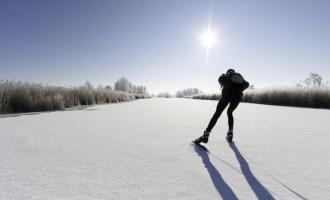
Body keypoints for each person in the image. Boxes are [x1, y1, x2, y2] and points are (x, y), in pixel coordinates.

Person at [194, 69, 249, 143]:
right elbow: (247, 84)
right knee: (230, 112)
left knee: (217, 114)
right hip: (237, 98)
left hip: (226, 96)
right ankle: (230, 132)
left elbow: (220, 79)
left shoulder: (226, 76)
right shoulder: (239, 77)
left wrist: (229, 86)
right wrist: (238, 89)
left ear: (228, 72)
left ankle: (206, 135)